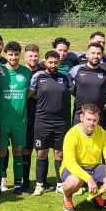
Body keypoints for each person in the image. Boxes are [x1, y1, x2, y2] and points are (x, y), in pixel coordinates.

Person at [59, 104, 106, 211]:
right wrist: (88, 179)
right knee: (74, 181)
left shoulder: (104, 135)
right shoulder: (72, 134)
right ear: (82, 118)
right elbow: (70, 162)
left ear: (99, 119)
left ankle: (96, 195)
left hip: (94, 168)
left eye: (95, 120)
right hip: (73, 168)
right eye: (88, 119)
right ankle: (67, 198)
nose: (92, 123)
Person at [28, 50, 72, 195]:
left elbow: (76, 93)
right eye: (50, 62)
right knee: (41, 153)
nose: (53, 65)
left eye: (56, 62)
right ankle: (40, 184)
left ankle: (60, 183)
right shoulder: (37, 77)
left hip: (61, 122)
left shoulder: (66, 77)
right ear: (45, 62)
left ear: (59, 62)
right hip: (42, 121)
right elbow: (29, 95)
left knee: (59, 153)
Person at [0, 41, 32, 195]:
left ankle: (17, 185)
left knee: (18, 152)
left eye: (16, 54)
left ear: (20, 54)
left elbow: (32, 91)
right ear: (6, 54)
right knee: (0, 152)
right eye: (10, 54)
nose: (14, 57)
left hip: (20, 121)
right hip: (2, 121)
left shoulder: (26, 72)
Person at [69, 42, 106, 129]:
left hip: (98, 117)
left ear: (102, 55)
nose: (96, 56)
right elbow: (65, 81)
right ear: (87, 55)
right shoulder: (77, 70)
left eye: (98, 53)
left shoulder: (105, 72)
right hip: (80, 116)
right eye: (93, 53)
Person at [21, 43, 41, 192]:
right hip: (26, 114)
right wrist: (34, 93)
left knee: (41, 149)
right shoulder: (22, 72)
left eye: (35, 55)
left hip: (41, 115)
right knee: (26, 149)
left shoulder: (43, 71)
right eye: (30, 56)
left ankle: (42, 181)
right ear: (25, 57)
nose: (33, 58)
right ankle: (25, 181)